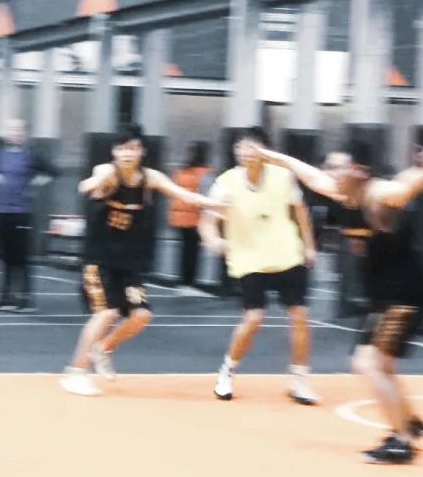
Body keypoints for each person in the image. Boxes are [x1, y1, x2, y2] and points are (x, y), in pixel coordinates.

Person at [253, 141, 423, 463]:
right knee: (380, 365)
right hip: (383, 298)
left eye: (336, 167)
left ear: (357, 171)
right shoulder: (343, 193)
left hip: (403, 296)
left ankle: (401, 441)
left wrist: (421, 171)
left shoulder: (379, 194)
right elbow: (307, 174)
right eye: (329, 167)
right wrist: (271, 156)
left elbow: (404, 190)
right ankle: (409, 422)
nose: (329, 173)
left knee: (369, 365)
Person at [61, 123, 222, 396]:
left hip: (127, 262)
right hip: (99, 259)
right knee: (107, 313)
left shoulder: (150, 178)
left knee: (142, 316)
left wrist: (218, 205)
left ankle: (104, 348)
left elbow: (184, 195)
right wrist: (93, 185)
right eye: (123, 148)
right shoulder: (107, 172)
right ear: (115, 151)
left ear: (141, 152)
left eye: (133, 148)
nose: (127, 153)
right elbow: (86, 184)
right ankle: (75, 372)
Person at [198, 127, 319, 405]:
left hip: (286, 253)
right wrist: (213, 239)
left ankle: (300, 379)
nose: (246, 152)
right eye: (241, 147)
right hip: (249, 258)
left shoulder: (283, 176)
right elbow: (207, 221)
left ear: (265, 151)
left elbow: (301, 212)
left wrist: (309, 245)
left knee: (300, 315)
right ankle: (227, 371)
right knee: (254, 318)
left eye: (252, 146)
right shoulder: (226, 183)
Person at [0, 119, 57, 313]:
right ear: (7, 133)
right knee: (5, 257)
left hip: (21, 212)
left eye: (18, 130)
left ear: (24, 134)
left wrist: (34, 184)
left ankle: (25, 299)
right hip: (2, 212)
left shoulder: (31, 155)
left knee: (21, 257)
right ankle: (5, 297)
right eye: (11, 130)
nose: (15, 133)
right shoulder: (0, 154)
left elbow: (53, 171)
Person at [168, 141, 211, 289]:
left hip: (180, 217)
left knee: (184, 249)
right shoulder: (205, 172)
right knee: (193, 251)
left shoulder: (181, 171)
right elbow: (206, 196)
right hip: (195, 217)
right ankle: (190, 280)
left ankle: (182, 278)